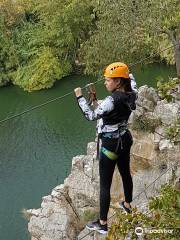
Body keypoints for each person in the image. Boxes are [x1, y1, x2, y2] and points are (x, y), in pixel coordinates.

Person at [74, 62, 137, 234]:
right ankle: (127, 205)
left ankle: (102, 223)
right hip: (125, 139)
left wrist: (80, 97)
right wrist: (95, 100)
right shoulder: (132, 92)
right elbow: (130, 77)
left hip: (110, 146)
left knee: (105, 185)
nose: (105, 83)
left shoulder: (111, 100)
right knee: (125, 173)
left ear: (118, 82)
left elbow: (91, 115)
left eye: (108, 80)